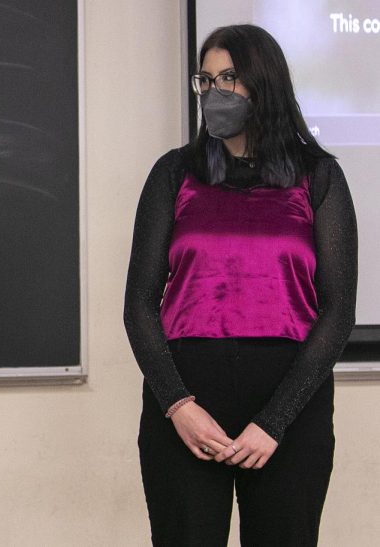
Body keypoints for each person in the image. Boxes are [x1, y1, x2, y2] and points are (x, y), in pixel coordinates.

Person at [123, 25, 357, 547]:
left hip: (290, 404)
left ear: (263, 82)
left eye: (228, 78)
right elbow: (139, 303)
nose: (215, 92)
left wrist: (274, 422)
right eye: (205, 80)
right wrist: (178, 405)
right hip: (185, 403)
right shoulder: (173, 174)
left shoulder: (318, 178)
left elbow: (338, 311)